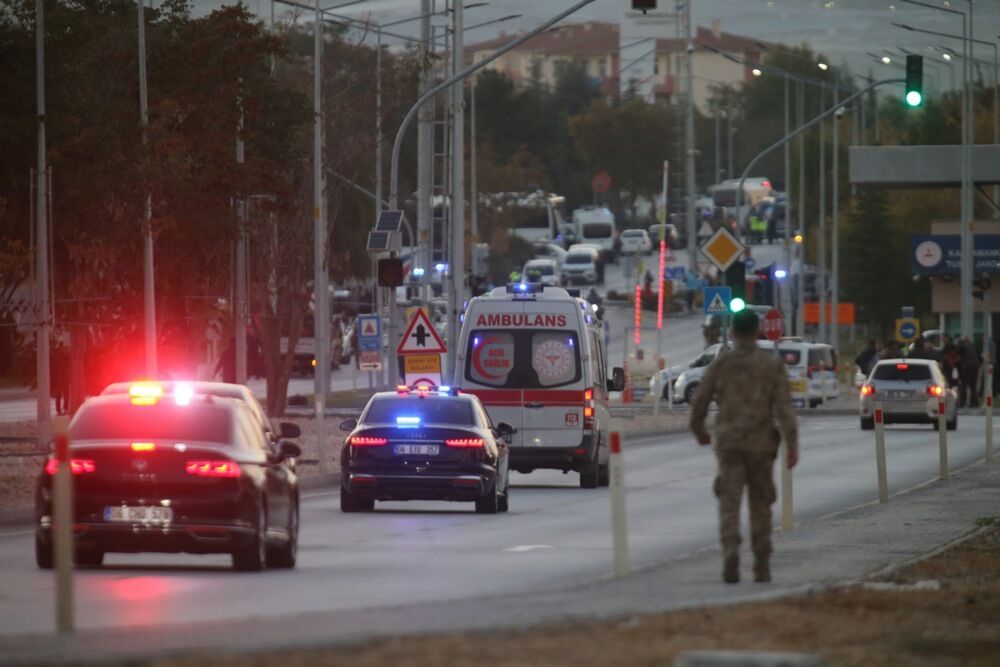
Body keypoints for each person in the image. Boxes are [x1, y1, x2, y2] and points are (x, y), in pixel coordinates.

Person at [690, 309, 799, 584]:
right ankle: (761, 562)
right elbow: (785, 408)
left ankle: (730, 550)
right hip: (761, 445)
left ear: (733, 333)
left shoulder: (721, 364)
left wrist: (700, 431)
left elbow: (700, 402)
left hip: (729, 445)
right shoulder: (771, 365)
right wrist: (792, 444)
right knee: (761, 505)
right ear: (757, 332)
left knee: (729, 501)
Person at [958, 336, 980, 408]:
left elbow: (959, 351)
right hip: (975, 367)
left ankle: (962, 402)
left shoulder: (963, 346)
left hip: (968, 367)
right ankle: (974, 403)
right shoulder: (973, 346)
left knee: (964, 385)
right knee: (973, 386)